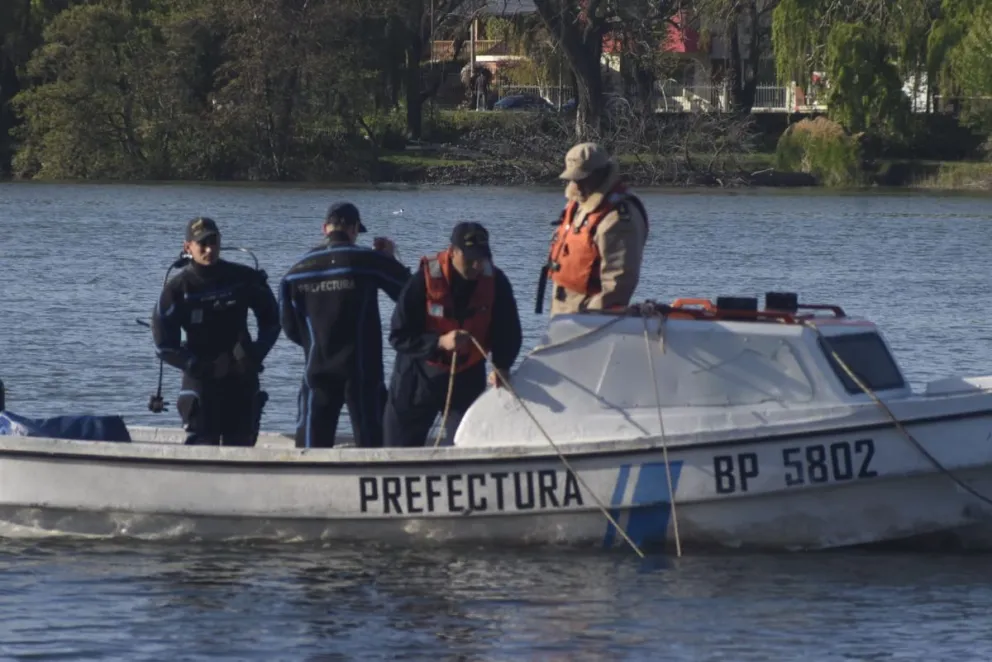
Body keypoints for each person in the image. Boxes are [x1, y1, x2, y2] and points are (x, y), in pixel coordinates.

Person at [279, 202, 410, 449]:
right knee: (373, 447)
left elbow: (289, 327)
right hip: (361, 371)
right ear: (353, 229)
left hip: (317, 368)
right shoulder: (366, 260)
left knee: (311, 449)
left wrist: (316, 342)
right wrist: (390, 258)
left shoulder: (295, 271)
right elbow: (409, 294)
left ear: (324, 228)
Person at [384, 222, 523, 447]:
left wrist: (502, 365)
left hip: (466, 375)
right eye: (470, 259)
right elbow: (398, 335)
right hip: (419, 375)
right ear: (453, 252)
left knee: (467, 445)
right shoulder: (423, 280)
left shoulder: (496, 282)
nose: (477, 265)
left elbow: (509, 330)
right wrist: (439, 342)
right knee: (398, 448)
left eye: (482, 258)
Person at [151, 217, 280, 446]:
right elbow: (164, 345)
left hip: (241, 374)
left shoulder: (243, 278)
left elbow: (273, 319)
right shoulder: (178, 289)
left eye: (214, 242)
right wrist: (195, 365)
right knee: (202, 443)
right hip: (202, 378)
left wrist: (257, 352)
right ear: (187, 247)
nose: (209, 250)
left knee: (242, 445)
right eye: (202, 244)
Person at [542, 142, 649, 316]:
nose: (576, 185)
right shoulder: (579, 205)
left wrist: (589, 320)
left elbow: (618, 285)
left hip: (589, 319)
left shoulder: (618, 218)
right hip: (564, 312)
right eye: (573, 179)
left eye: (582, 179)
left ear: (600, 174)